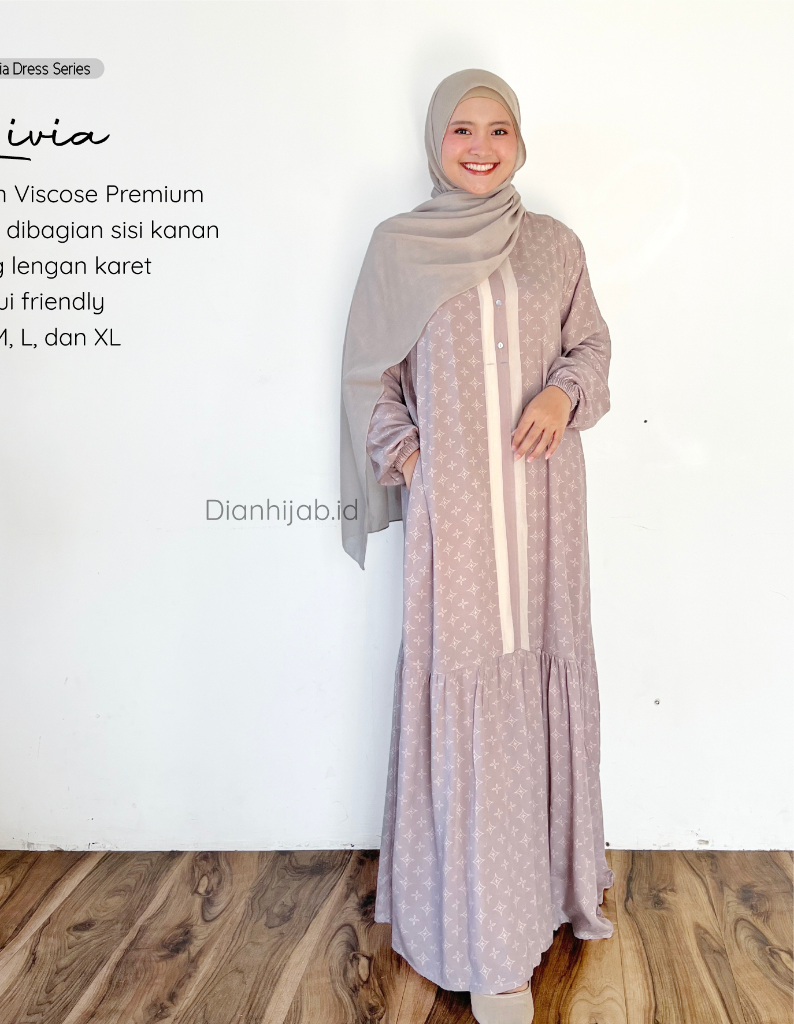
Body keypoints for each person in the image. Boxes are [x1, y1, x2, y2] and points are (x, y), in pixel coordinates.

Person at [338, 70, 614, 1024]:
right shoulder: (399, 248)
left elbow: (592, 349)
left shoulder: (554, 245)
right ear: (436, 140)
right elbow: (370, 378)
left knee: (535, 674)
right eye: (463, 128)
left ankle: (548, 894)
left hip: (544, 515)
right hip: (453, 526)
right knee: (470, 694)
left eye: (499, 128)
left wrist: (562, 396)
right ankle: (485, 943)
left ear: (520, 140)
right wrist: (412, 457)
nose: (482, 145)